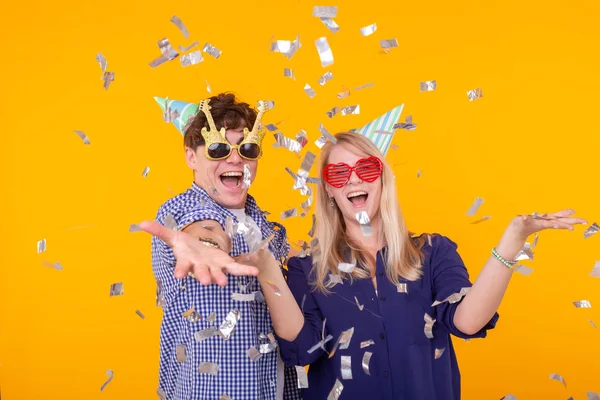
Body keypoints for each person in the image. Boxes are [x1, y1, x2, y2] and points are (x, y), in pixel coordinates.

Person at [144, 131, 586, 399]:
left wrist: (513, 239)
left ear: (382, 177)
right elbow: (301, 349)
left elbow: (469, 321)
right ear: (331, 194)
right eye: (338, 176)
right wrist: (265, 267)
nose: (353, 179)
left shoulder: (432, 252)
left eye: (365, 168)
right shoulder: (305, 269)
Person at [141, 93, 301, 400]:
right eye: (217, 149)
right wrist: (204, 246)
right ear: (191, 157)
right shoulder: (179, 210)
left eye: (247, 148)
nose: (235, 159)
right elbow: (204, 229)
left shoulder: (267, 227)